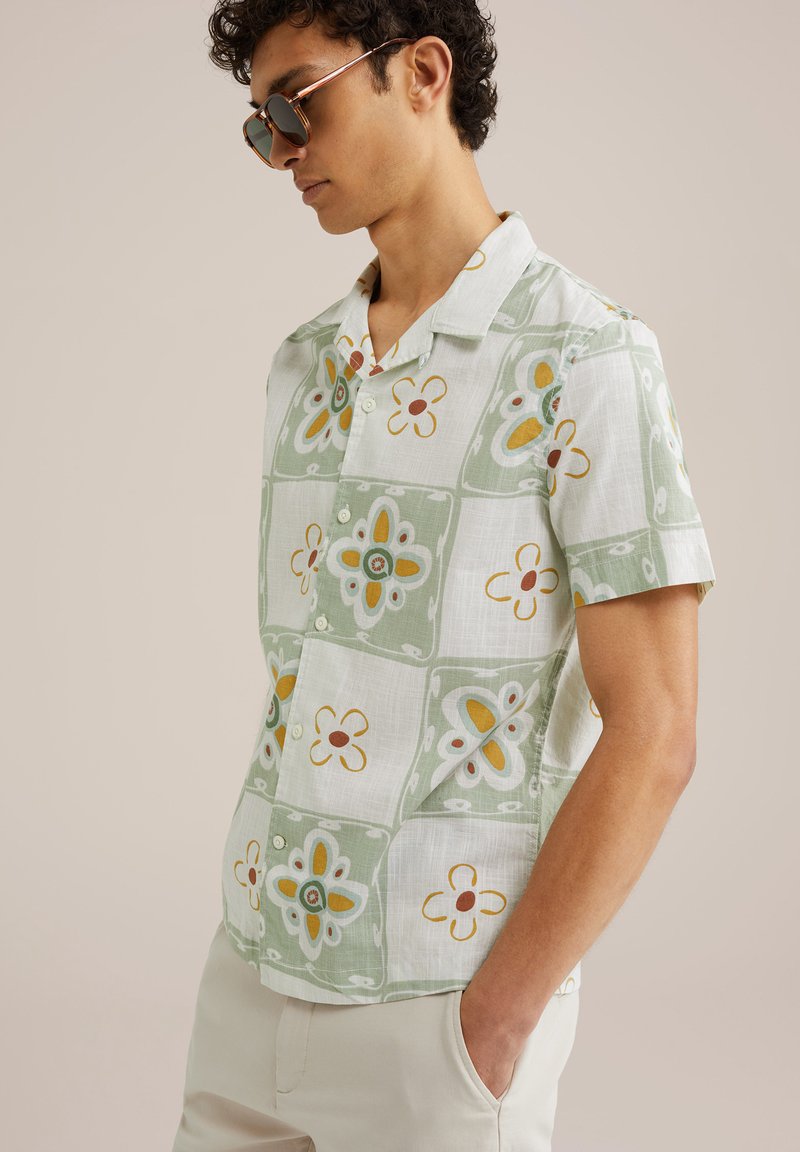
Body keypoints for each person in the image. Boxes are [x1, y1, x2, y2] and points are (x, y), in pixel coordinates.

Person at [171, 3, 717, 1150]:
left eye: (296, 103)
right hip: (249, 980)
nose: (279, 150)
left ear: (423, 72)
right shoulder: (304, 365)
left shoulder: (585, 358)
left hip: (440, 1016)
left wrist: (494, 1022)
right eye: (259, 125)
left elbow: (655, 730)